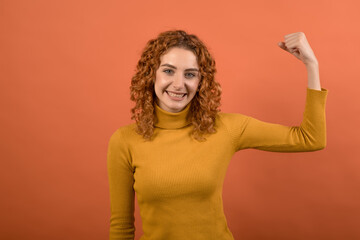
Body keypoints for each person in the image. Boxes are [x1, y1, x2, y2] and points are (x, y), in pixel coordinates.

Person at [106, 29, 328, 240]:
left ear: (201, 81)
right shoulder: (125, 141)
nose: (178, 84)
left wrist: (312, 64)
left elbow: (310, 138)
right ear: (150, 74)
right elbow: (122, 226)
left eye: (190, 74)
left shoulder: (226, 128)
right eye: (168, 70)